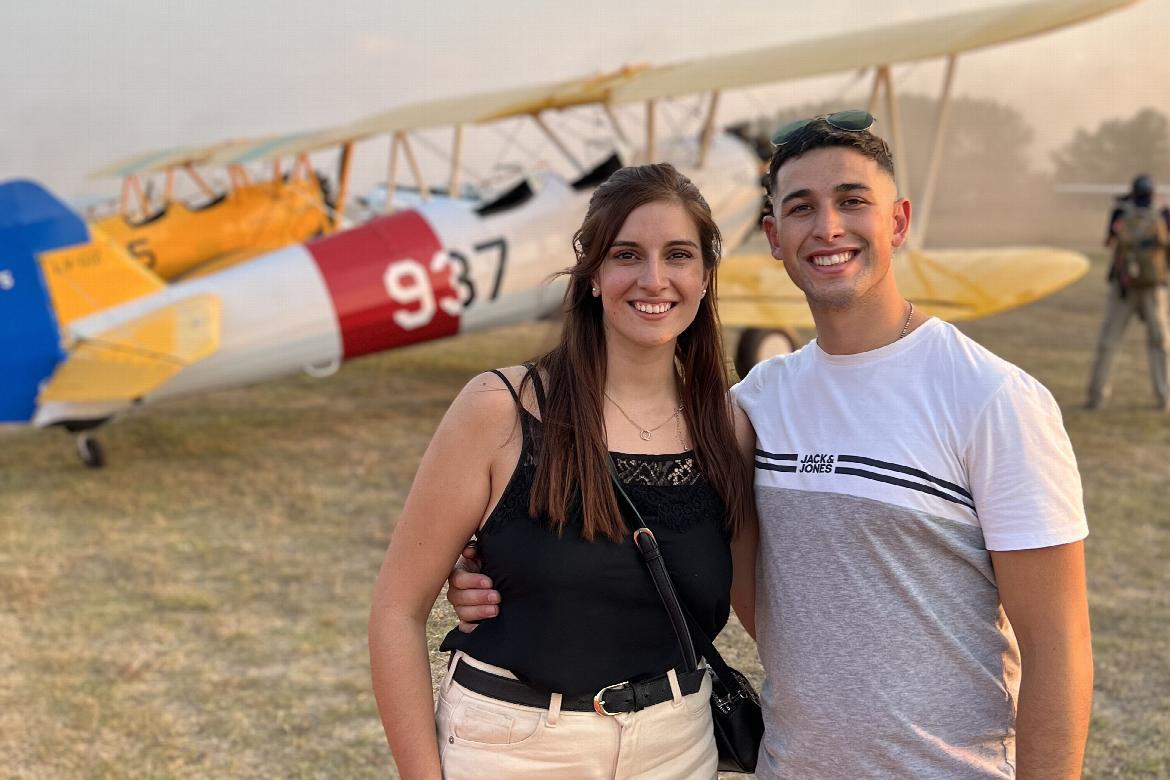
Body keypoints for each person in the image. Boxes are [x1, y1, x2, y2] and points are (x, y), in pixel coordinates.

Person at [449, 113, 1094, 779]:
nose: (828, 227)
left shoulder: (993, 398)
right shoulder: (754, 405)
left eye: (852, 201)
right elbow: (686, 554)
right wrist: (488, 564)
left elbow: (1058, 644)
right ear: (773, 238)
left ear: (898, 222)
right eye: (802, 208)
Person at [368, 162, 758, 779]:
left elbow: (763, 610)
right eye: (626, 254)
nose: (654, 278)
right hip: (516, 749)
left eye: (678, 255)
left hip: (678, 749)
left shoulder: (727, 430)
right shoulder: (500, 409)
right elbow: (396, 611)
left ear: (705, 276)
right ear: (593, 274)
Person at [1086, 174, 1170, 410]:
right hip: (1153, 287)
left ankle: (1097, 396)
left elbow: (1109, 242)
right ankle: (1164, 396)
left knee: (1109, 341)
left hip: (1123, 286)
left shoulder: (1121, 212)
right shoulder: (1162, 213)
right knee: (1159, 342)